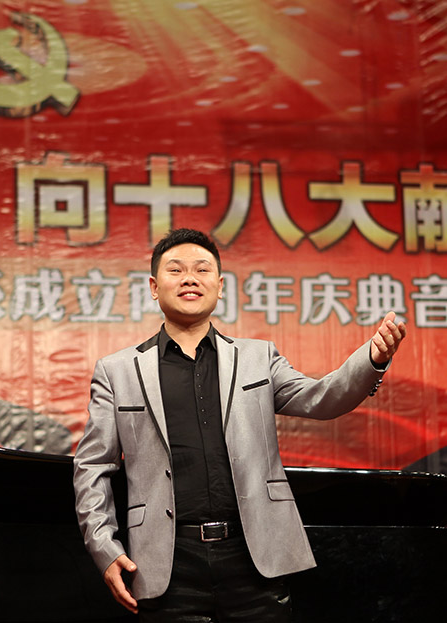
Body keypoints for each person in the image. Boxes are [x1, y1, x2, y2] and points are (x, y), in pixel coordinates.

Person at [73, 228, 406, 623]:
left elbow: (322, 398)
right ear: (154, 287)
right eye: (175, 270)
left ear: (219, 286)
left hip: (254, 558)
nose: (190, 278)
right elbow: (93, 466)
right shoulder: (118, 371)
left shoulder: (258, 358)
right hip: (164, 564)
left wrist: (371, 359)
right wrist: (105, 548)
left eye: (202, 270)